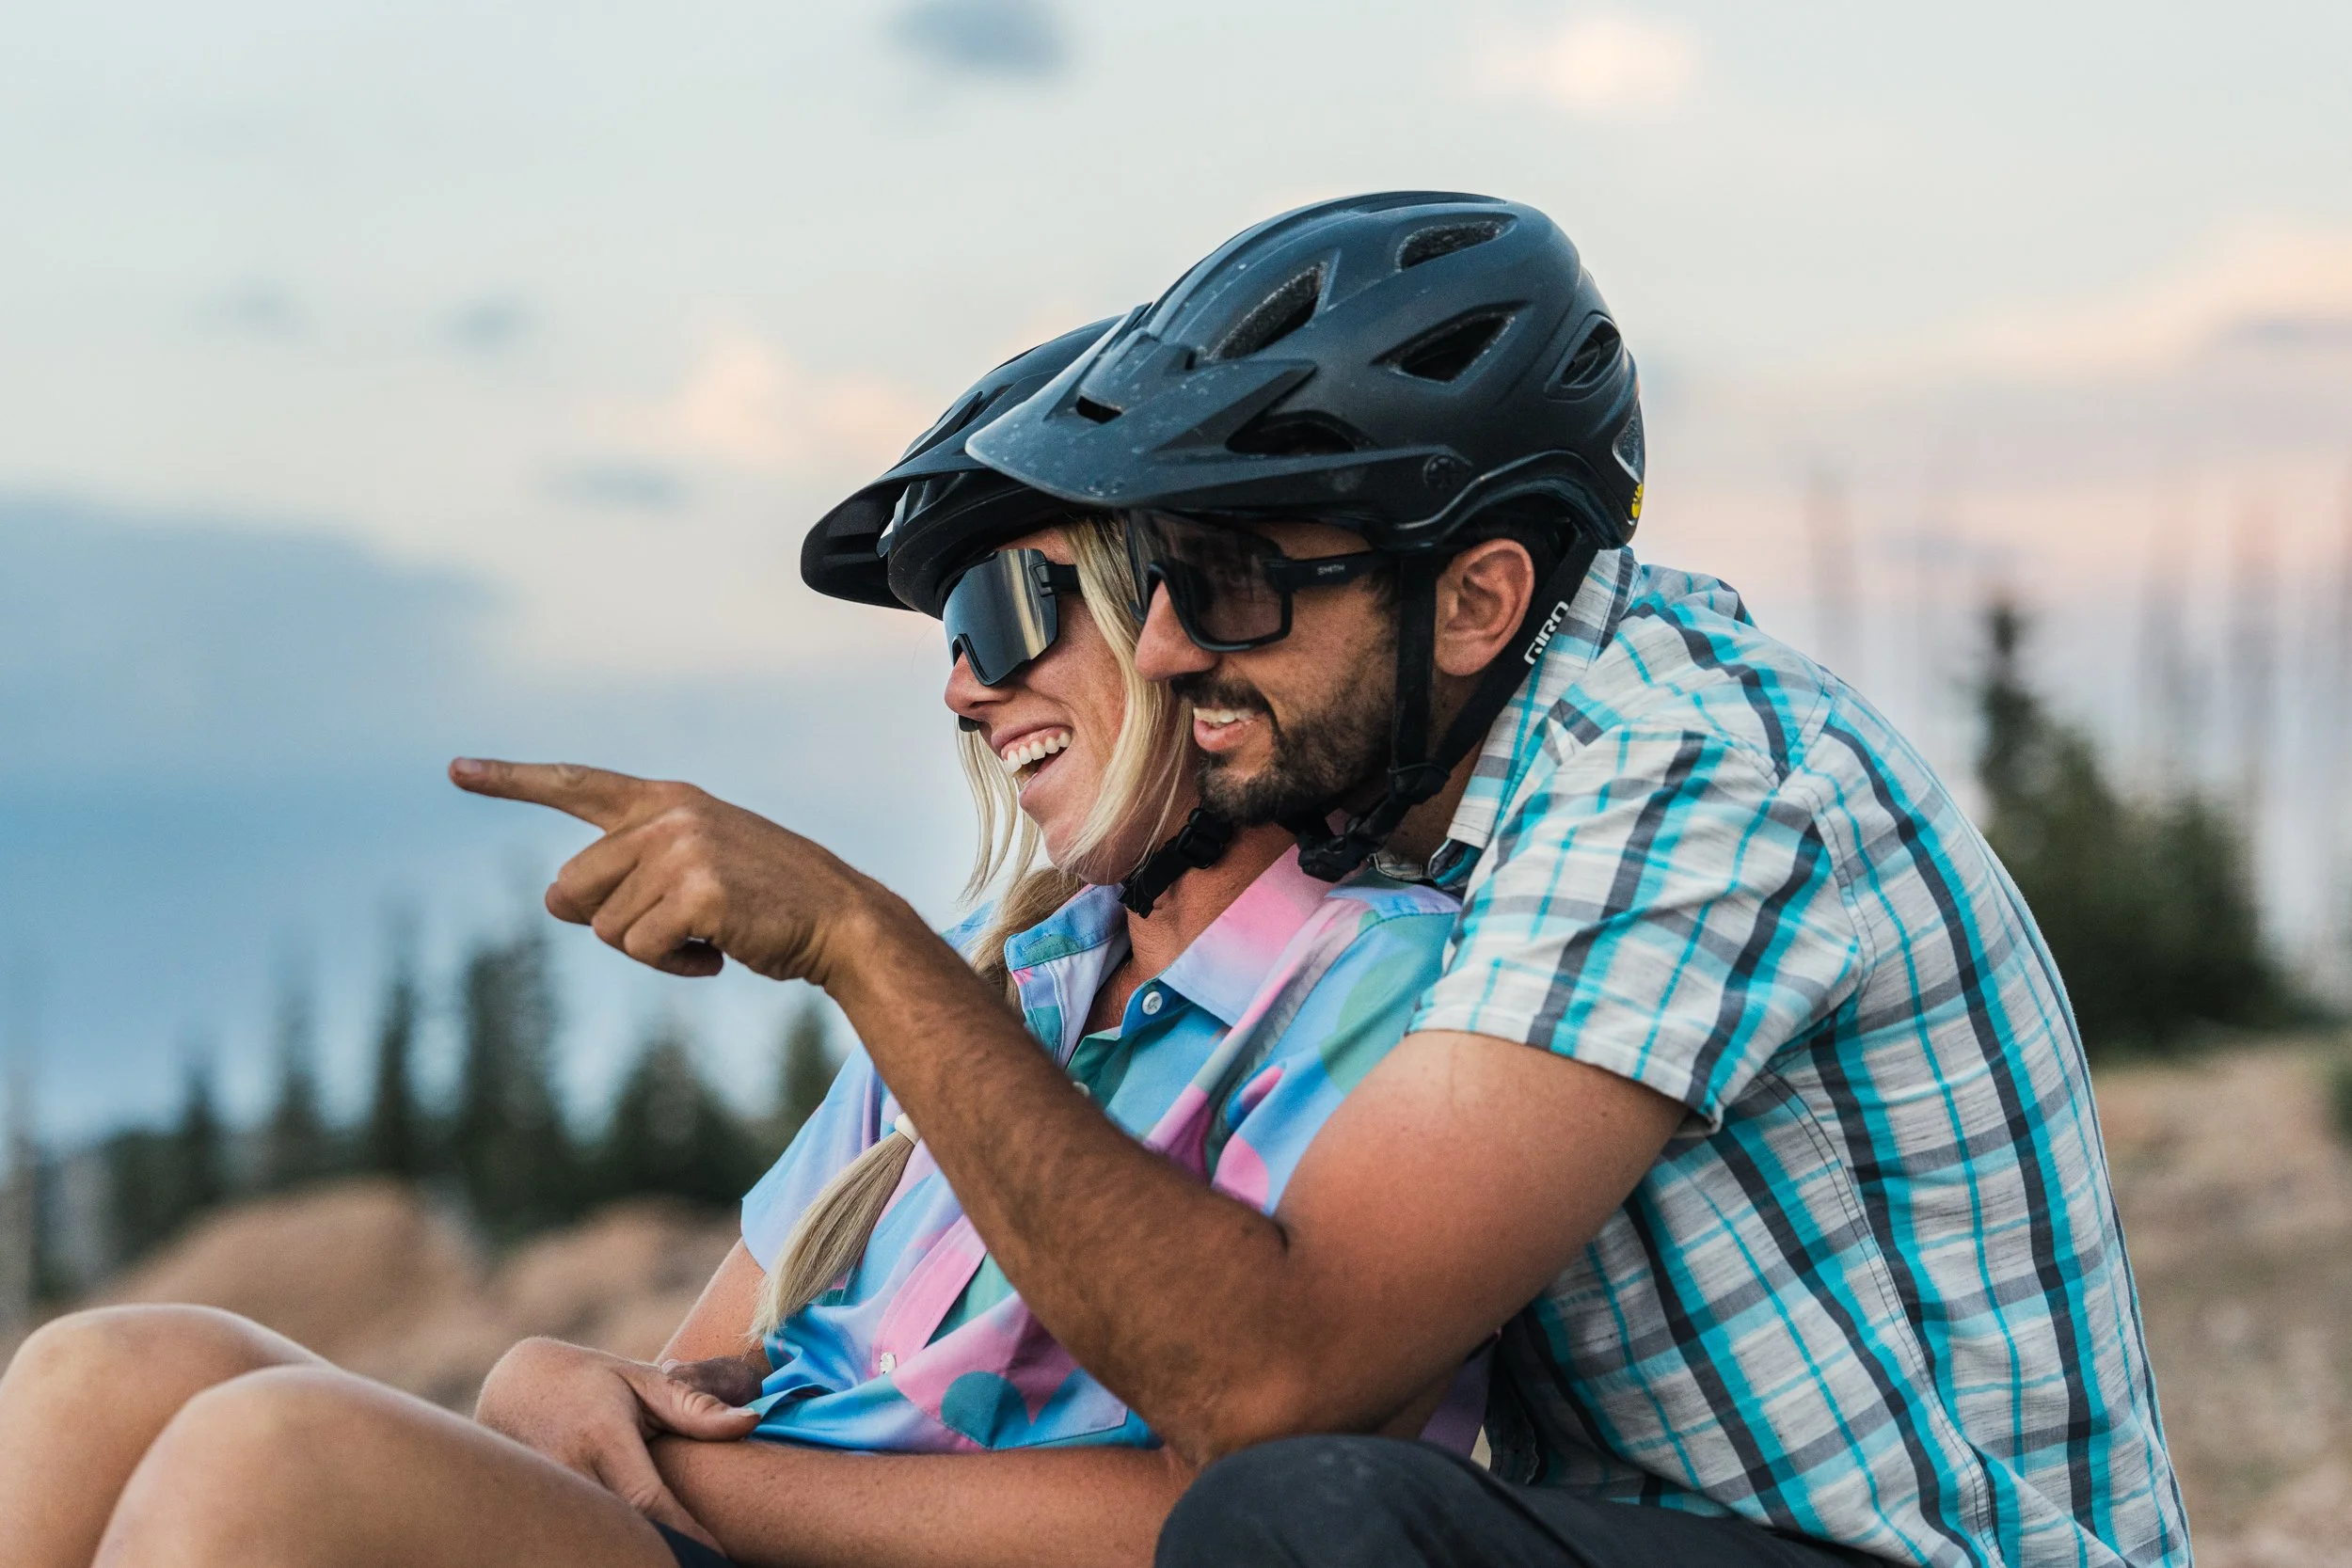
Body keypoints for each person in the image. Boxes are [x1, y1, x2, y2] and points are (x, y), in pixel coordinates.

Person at [453, 195, 2187, 1567]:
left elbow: (1270, 1375)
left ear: (1479, 600)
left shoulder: (1682, 781)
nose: (1164, 645)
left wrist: (856, 936)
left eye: (1229, 583)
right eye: (1149, 582)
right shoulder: (1423, 820)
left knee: (1301, 1522)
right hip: (1659, 1533)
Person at [0, 326, 1468, 1568]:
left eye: (1003, 610)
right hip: (736, 1533)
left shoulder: (1372, 981)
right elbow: (695, 1379)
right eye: (949, 637)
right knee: (99, 1366)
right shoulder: (1005, 969)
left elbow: (1257, 1508)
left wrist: (693, 1481)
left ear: (1177, 611)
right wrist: (564, 1380)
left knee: (274, 1460)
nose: (964, 687)